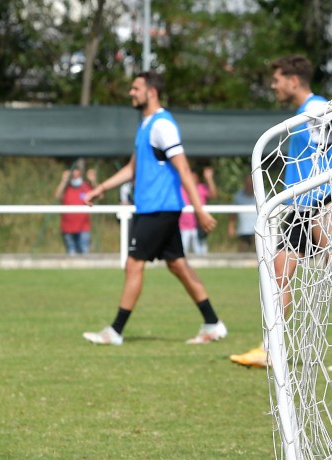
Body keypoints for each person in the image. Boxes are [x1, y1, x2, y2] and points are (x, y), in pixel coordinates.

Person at [228, 55, 332, 372]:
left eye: (277, 79)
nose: (273, 85)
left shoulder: (315, 107)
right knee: (278, 277)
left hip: (325, 205)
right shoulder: (302, 114)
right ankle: (270, 349)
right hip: (298, 208)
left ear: (294, 81)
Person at [81, 72, 227, 346]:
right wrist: (102, 188)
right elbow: (132, 168)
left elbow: (183, 167)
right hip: (155, 207)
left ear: (151, 92)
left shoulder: (162, 125)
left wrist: (199, 209)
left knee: (134, 263)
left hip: (159, 209)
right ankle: (213, 323)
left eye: (135, 88)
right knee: (178, 265)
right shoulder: (146, 124)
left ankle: (115, 331)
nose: (130, 93)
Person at [54, 161, 97, 255]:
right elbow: (57, 196)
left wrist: (93, 181)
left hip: (84, 228)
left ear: (81, 173)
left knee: (85, 254)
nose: (74, 174)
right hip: (67, 228)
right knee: (71, 256)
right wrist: (63, 181)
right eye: (73, 171)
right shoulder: (66, 188)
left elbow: (100, 195)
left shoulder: (87, 187)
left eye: (77, 171)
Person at [179, 165, 217, 256]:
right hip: (182, 227)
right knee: (181, 256)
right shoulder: (179, 189)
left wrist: (209, 179)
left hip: (199, 227)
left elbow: (214, 195)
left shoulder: (202, 188)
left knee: (201, 255)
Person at [228, 173, 257, 253]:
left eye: (250, 184)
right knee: (242, 256)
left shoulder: (263, 194)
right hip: (243, 230)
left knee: (258, 255)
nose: (249, 186)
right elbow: (233, 213)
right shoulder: (238, 196)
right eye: (247, 184)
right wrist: (231, 227)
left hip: (258, 231)